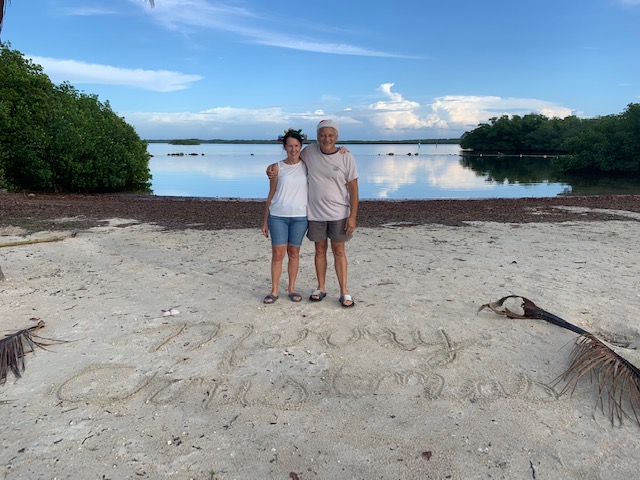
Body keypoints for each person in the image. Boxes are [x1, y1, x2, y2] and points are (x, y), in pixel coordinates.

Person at [268, 119, 359, 307]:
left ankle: (344, 291)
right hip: (315, 214)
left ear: (336, 137)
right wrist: (271, 169)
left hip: (339, 213)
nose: (327, 139)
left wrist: (353, 217)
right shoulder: (309, 152)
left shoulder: (346, 156)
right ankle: (321, 287)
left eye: (331, 135)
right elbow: (291, 158)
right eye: (323, 135)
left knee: (339, 251)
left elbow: (354, 188)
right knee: (319, 250)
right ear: (317, 136)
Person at [261, 128, 309, 304]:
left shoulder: (307, 166)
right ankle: (274, 291)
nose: (293, 149)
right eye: (289, 146)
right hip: (278, 216)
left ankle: (292, 289)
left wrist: (342, 150)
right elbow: (271, 193)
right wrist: (265, 220)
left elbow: (325, 153)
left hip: (300, 217)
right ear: (284, 147)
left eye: (296, 145)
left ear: (301, 146)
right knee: (278, 254)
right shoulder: (276, 167)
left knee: (294, 253)